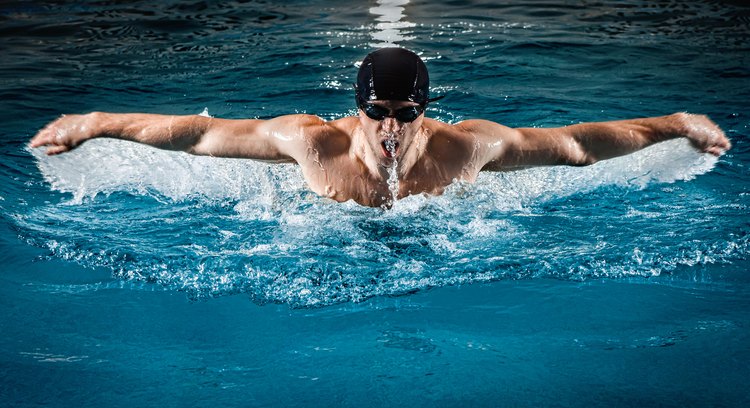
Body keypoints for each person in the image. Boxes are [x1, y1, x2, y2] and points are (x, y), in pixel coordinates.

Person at [30, 47, 730, 208]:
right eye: (377, 111)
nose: (390, 127)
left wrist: (673, 123)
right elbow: (200, 136)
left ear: (425, 109)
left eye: (405, 113)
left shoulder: (466, 147)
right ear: (356, 105)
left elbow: (575, 148)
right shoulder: (310, 142)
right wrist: (97, 122)